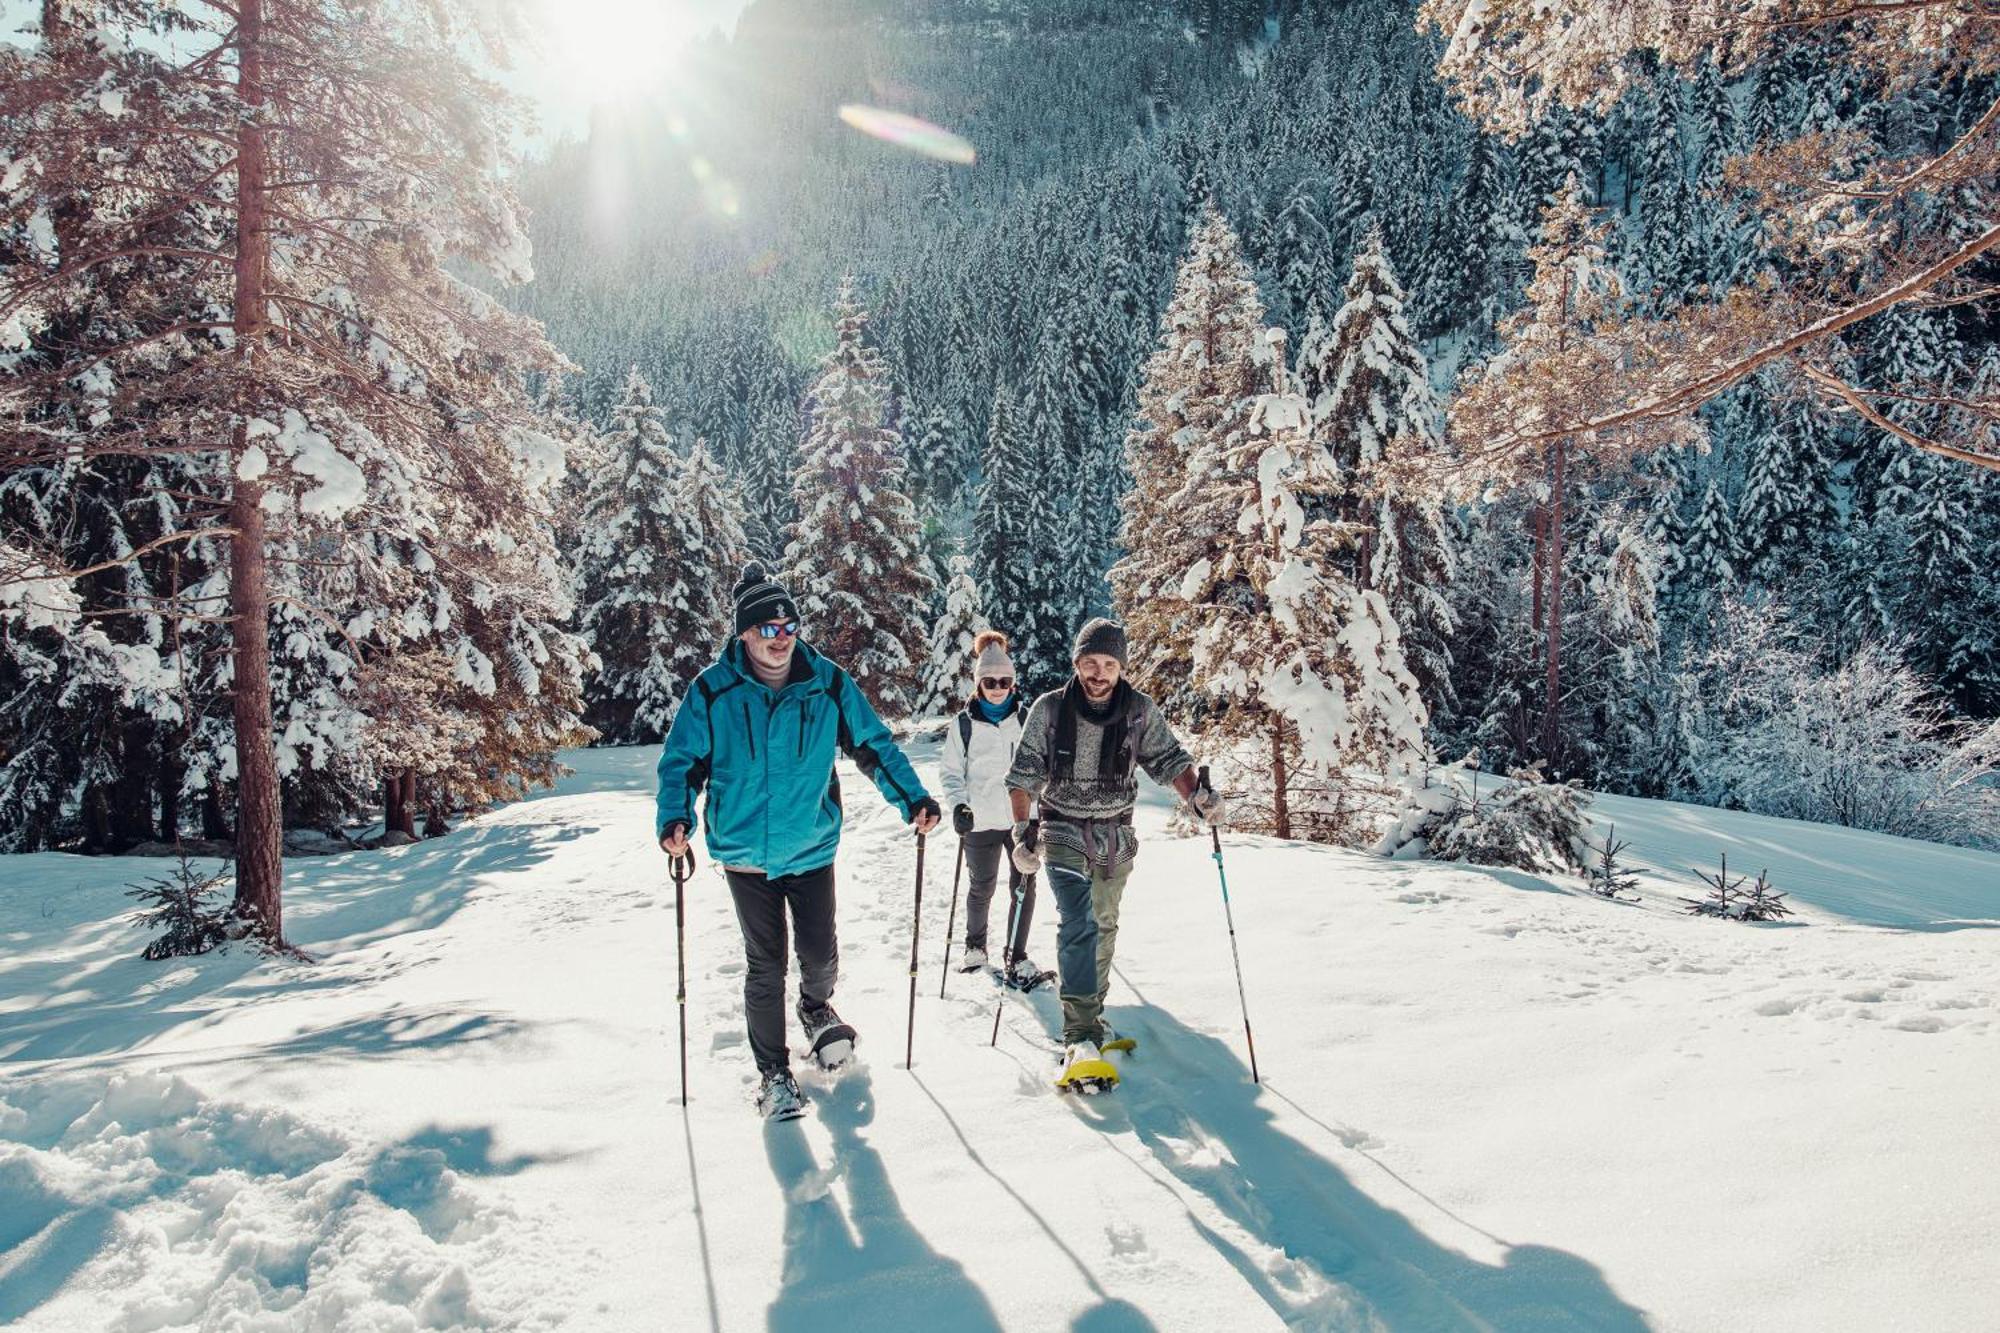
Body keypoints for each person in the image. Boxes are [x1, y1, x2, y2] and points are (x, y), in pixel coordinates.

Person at [656, 563, 941, 1120]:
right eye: (767, 628)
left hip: (811, 845)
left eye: (789, 625)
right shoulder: (713, 691)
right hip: (745, 854)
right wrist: (675, 819)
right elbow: (682, 762)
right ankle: (774, 1074)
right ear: (744, 634)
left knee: (819, 956)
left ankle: (815, 1007)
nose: (780, 637)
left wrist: (914, 799)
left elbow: (873, 745)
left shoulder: (826, 681)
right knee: (766, 965)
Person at [1005, 617, 1225, 1083]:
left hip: (1116, 836)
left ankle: (1093, 1017)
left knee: (1104, 925)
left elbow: (1170, 762)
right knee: (1079, 922)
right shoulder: (1049, 710)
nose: (1098, 673)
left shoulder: (1139, 711)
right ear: (1076, 663)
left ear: (1121, 667)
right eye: (1090, 663)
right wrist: (1022, 831)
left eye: (1108, 664)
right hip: (1062, 829)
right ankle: (1078, 1036)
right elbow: (1023, 776)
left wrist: (1197, 797)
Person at [937, 630, 1048, 990]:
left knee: (1023, 886)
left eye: (1004, 680)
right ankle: (975, 947)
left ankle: (1016, 955)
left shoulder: (1027, 719)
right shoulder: (964, 724)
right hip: (980, 819)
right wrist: (958, 806)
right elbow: (951, 772)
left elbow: (1043, 768)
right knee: (981, 886)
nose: (998, 687)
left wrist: (1037, 810)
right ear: (979, 684)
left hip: (1021, 819)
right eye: (990, 681)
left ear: (1013, 683)